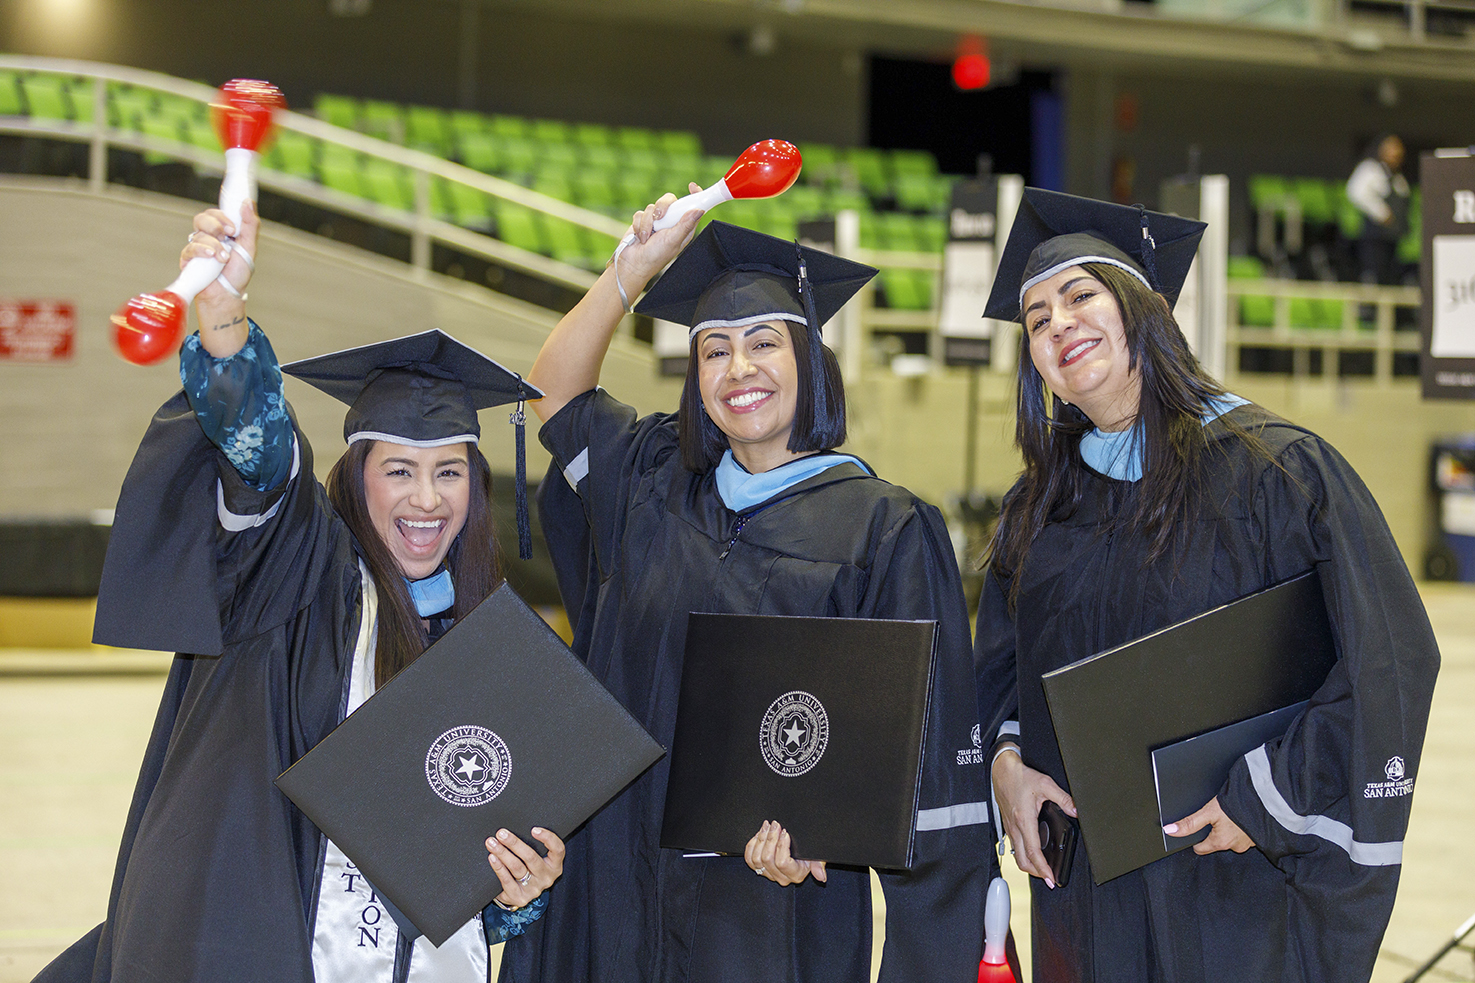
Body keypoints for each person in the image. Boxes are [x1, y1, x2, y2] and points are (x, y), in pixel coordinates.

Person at [35, 202, 565, 983]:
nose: (427, 499)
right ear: (354, 478)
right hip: (265, 946)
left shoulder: (491, 648)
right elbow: (260, 450)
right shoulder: (301, 573)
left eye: (448, 471)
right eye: (399, 470)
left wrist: (517, 891)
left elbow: (473, 861)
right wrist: (224, 319)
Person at [497, 202, 992, 983]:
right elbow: (552, 391)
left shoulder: (881, 528)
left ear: (808, 358)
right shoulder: (655, 476)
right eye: (713, 351)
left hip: (767, 908)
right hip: (614, 879)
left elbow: (918, 763)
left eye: (763, 343)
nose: (739, 370)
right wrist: (632, 267)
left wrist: (831, 836)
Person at [973, 188, 1440, 983]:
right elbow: (1001, 673)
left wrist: (1263, 800)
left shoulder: (1274, 470)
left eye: (1080, 295)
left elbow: (1384, 657)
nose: (1059, 326)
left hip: (1232, 879)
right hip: (1086, 894)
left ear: (1145, 309)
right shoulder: (1037, 508)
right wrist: (1006, 764)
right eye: (1037, 320)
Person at [1346, 134, 1411, 286]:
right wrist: (1381, 212)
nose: (1396, 154)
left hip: (1393, 238)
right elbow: (1355, 192)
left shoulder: (1399, 178)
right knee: (1374, 276)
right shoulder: (1371, 170)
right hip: (1375, 238)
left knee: (1391, 277)